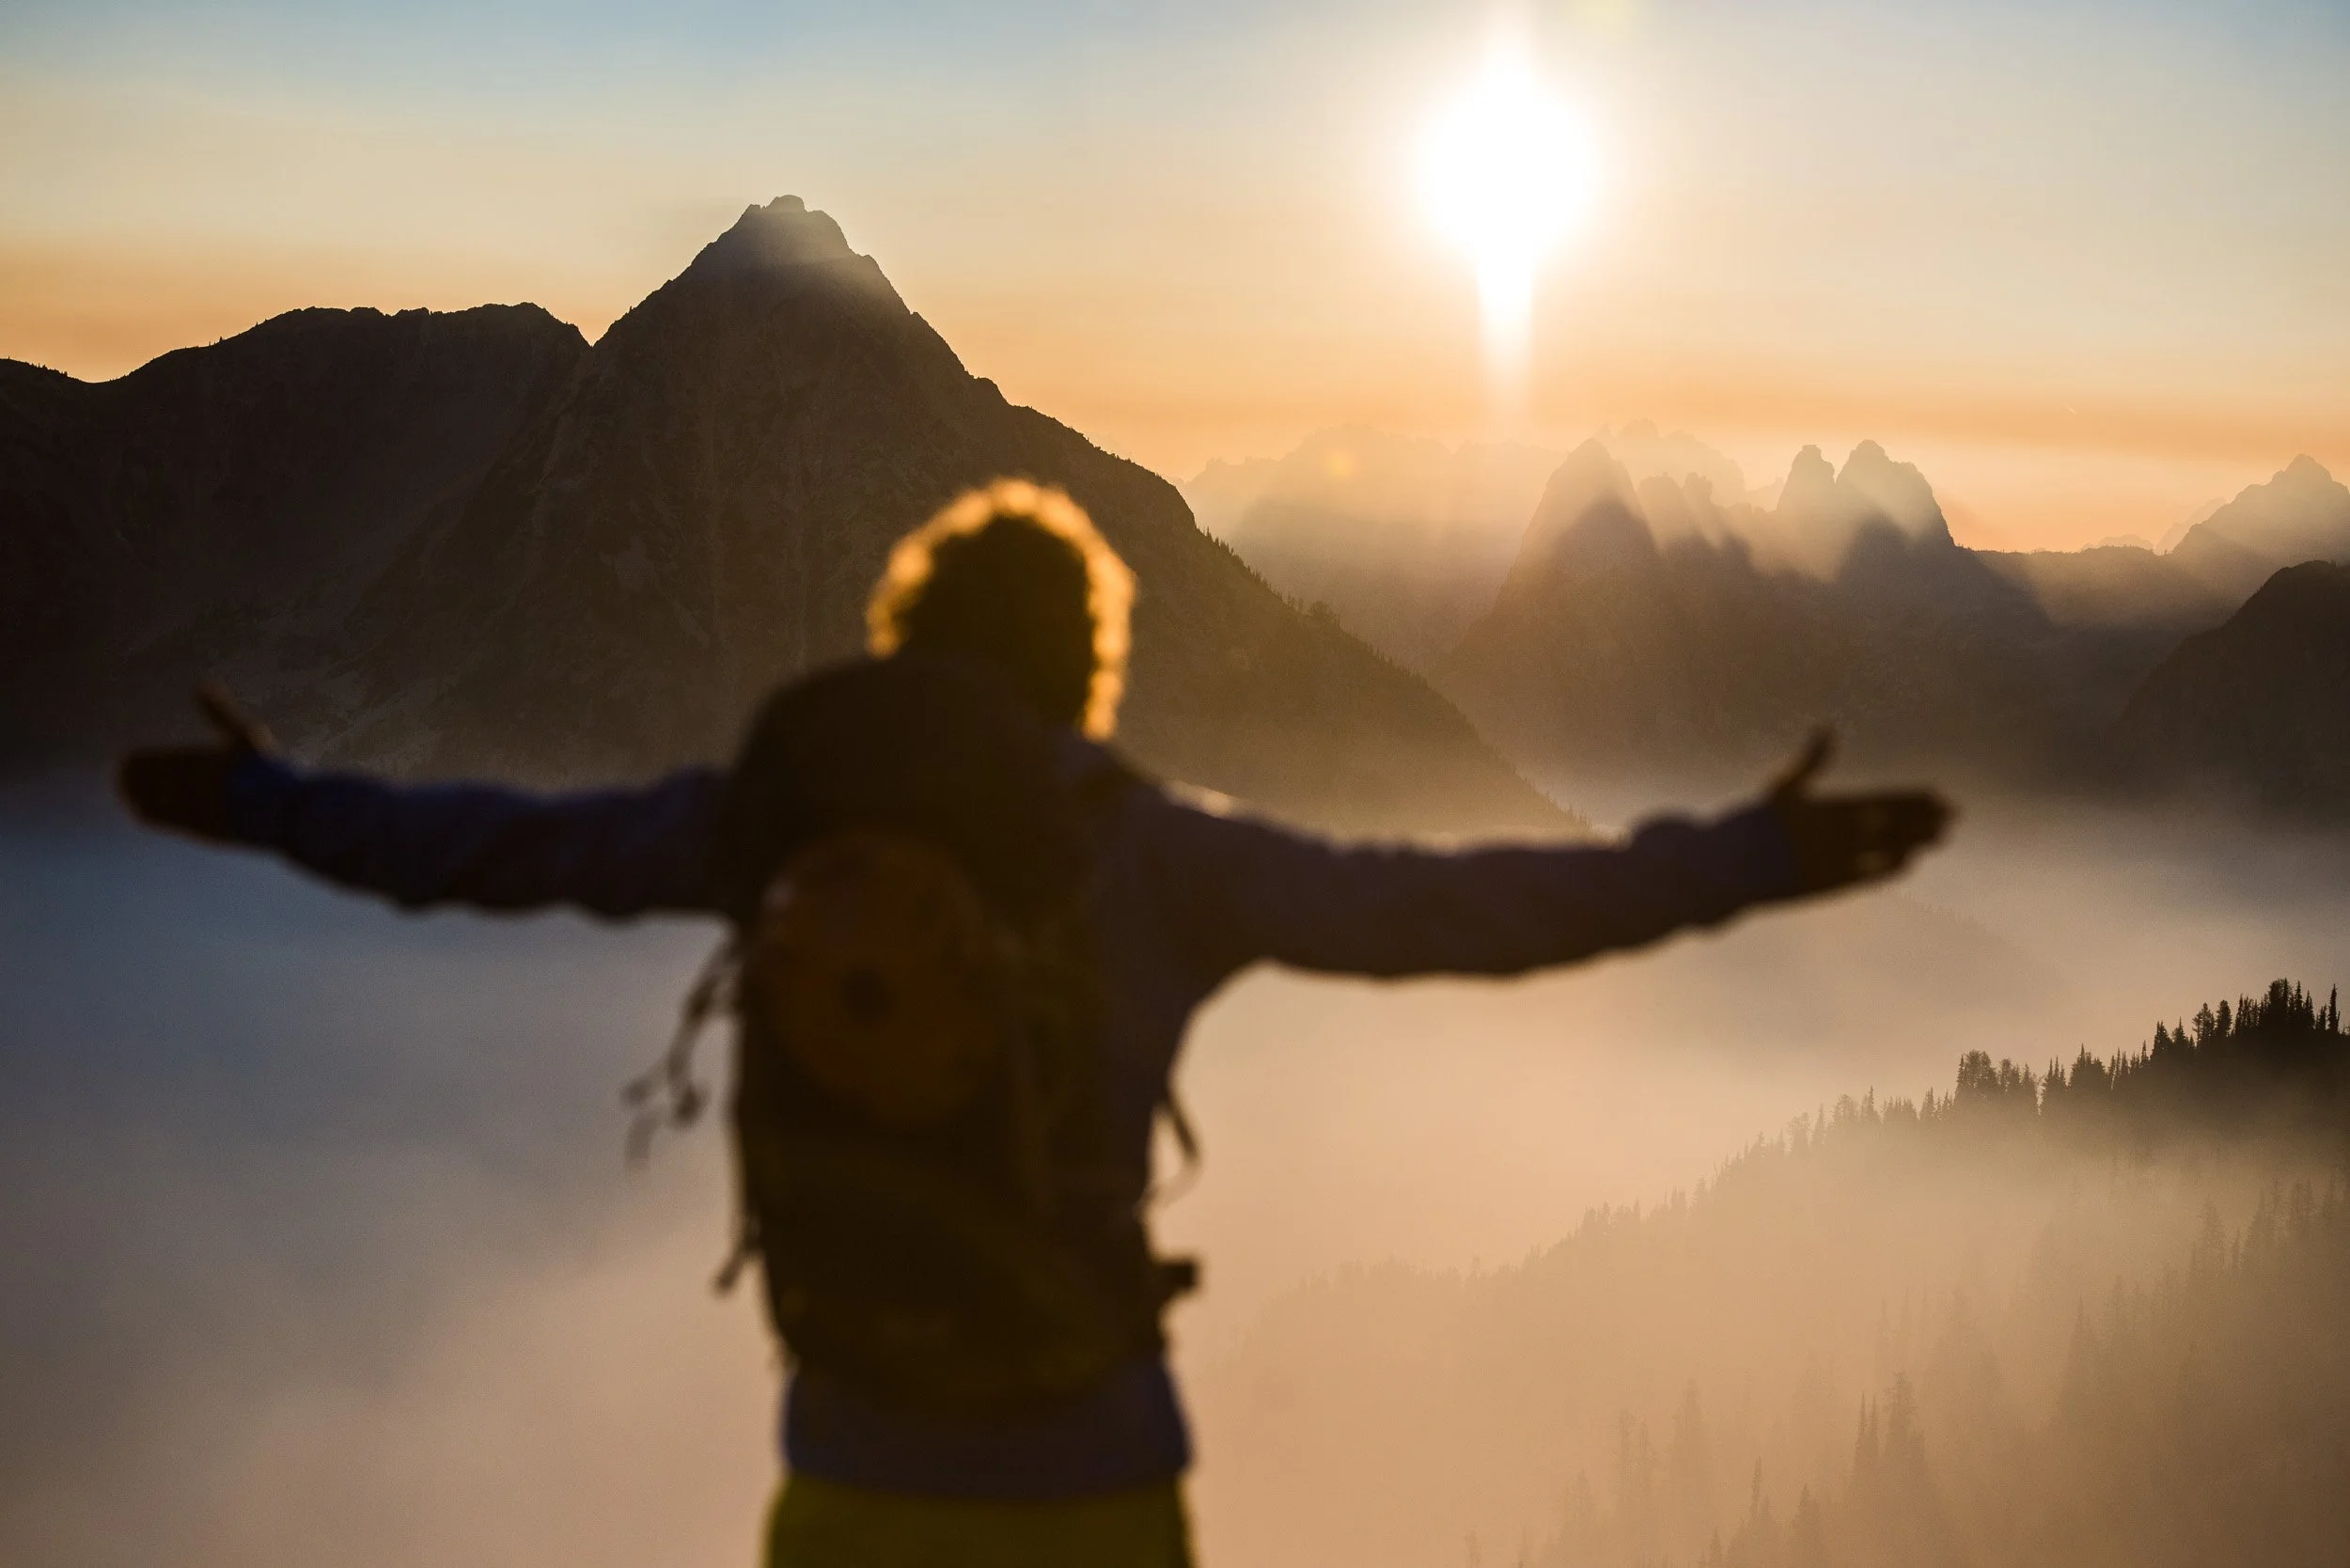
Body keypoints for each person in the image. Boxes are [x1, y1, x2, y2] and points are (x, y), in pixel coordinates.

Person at [118, 478, 1950, 1568]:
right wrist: (1743, 858)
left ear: (905, 639)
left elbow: (490, 853)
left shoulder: (773, 822)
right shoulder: (1142, 856)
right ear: (1084, 668)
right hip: (1087, 1492)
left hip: (843, 1481)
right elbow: (1453, 912)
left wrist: (269, 799)